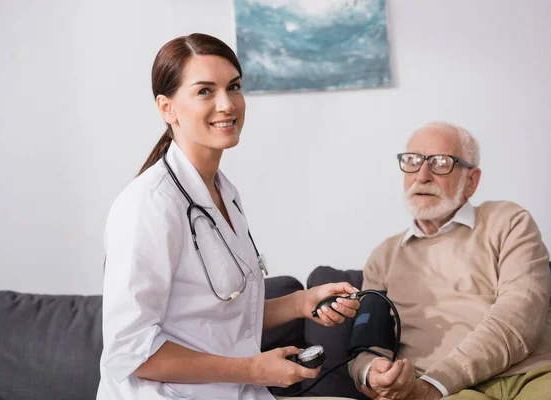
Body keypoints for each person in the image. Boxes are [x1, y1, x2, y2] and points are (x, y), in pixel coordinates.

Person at [97, 33, 360, 400]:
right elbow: (132, 352)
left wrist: (302, 302)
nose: (227, 104)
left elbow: (218, 313)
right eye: (205, 91)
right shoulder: (147, 206)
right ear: (167, 108)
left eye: (233, 87)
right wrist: (253, 369)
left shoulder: (223, 191)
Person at [349, 121, 551, 400]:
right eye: (412, 161)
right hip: (449, 392)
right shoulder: (383, 257)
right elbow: (369, 344)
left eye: (440, 162)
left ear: (471, 180)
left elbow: (520, 314)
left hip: (532, 375)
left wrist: (435, 384)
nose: (422, 175)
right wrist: (372, 371)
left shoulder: (508, 221)